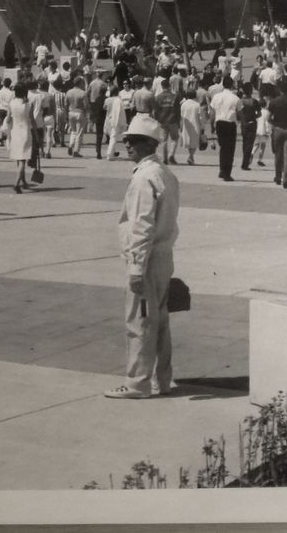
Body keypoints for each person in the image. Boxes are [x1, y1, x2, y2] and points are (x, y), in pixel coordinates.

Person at [104, 114, 181, 400]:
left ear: (149, 143)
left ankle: (137, 383)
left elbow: (141, 225)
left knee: (139, 321)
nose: (128, 145)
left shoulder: (144, 178)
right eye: (126, 140)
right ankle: (162, 379)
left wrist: (136, 267)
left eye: (133, 141)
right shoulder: (164, 174)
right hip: (163, 256)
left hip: (147, 259)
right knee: (159, 320)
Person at [6, 81, 37, 193]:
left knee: (19, 158)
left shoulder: (12, 103)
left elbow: (8, 118)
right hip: (25, 131)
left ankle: (23, 181)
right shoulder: (28, 105)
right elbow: (32, 120)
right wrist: (37, 134)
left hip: (15, 131)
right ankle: (17, 183)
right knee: (23, 159)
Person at [209, 78, 241, 181]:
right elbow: (240, 113)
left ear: (223, 85)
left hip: (219, 123)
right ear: (232, 85)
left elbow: (212, 114)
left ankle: (222, 170)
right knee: (230, 149)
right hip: (230, 124)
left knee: (222, 148)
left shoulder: (216, 97)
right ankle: (227, 173)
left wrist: (212, 126)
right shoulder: (235, 98)